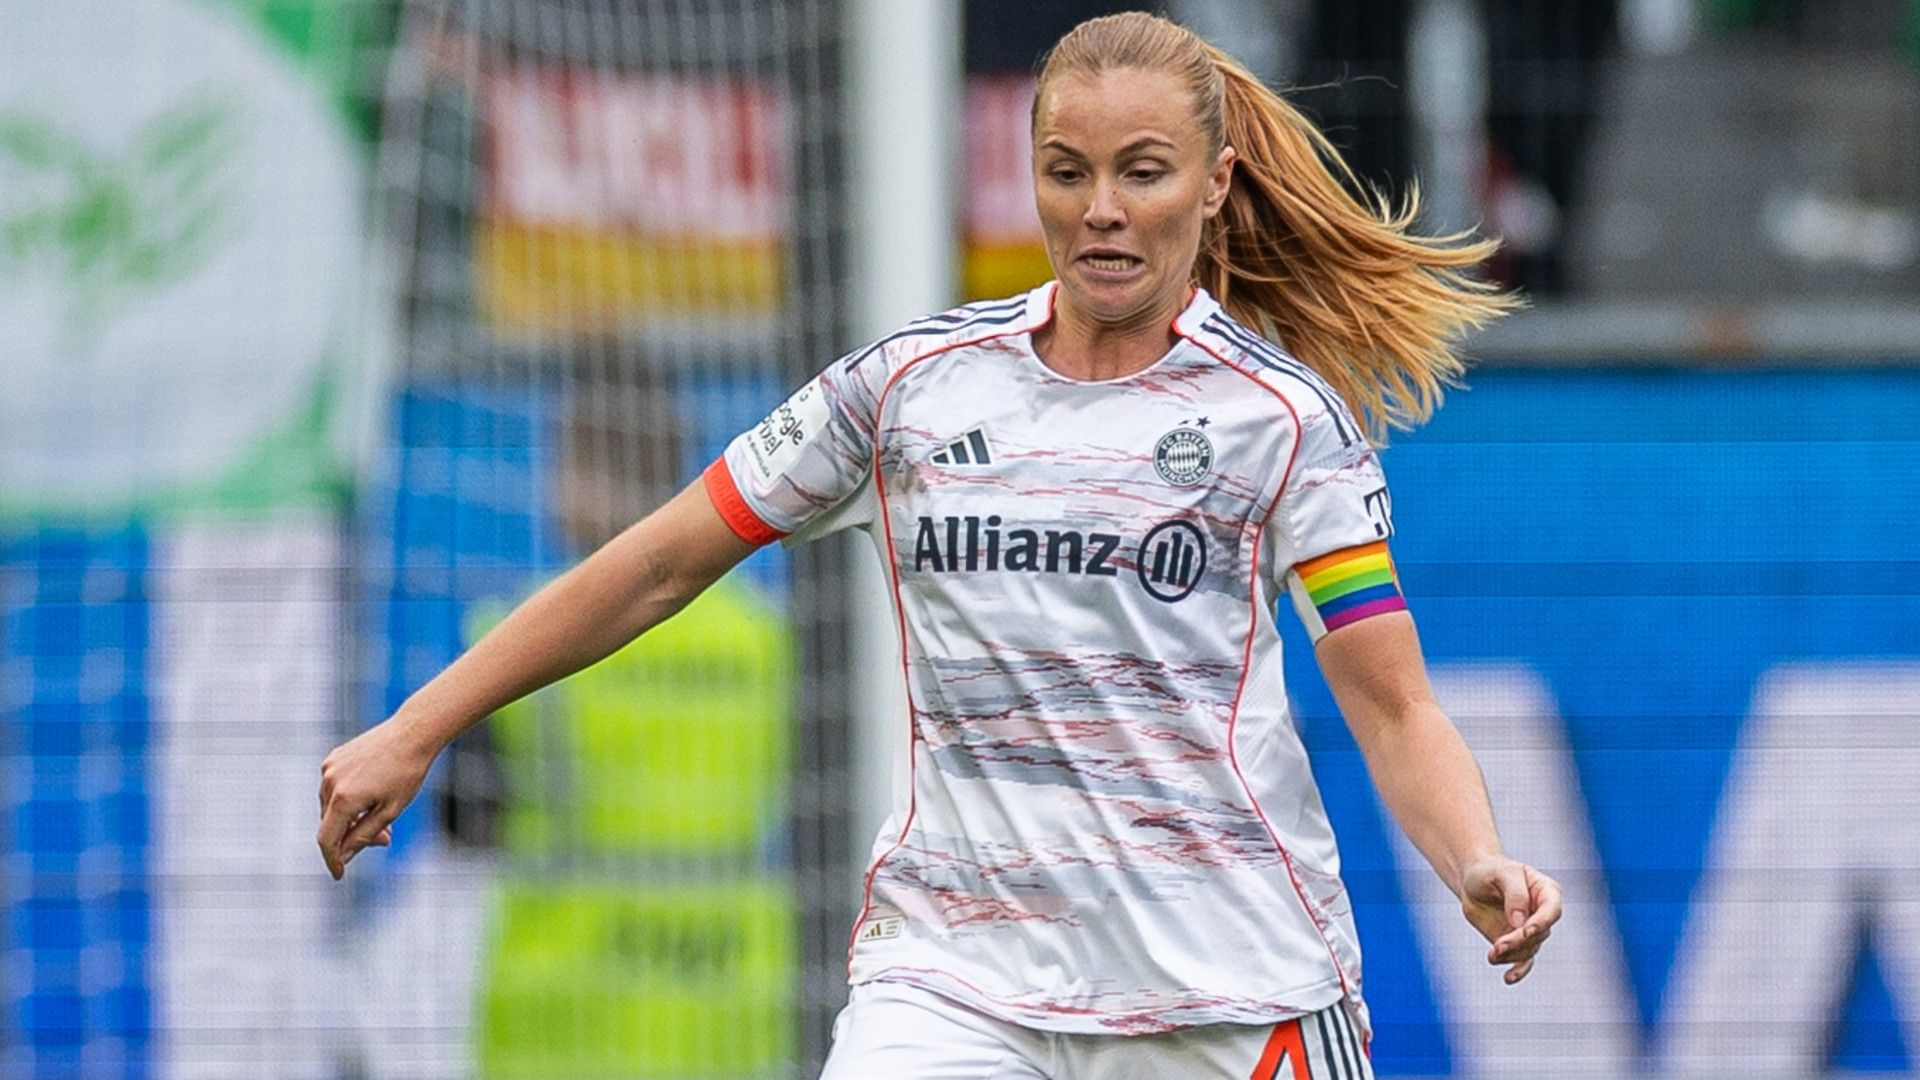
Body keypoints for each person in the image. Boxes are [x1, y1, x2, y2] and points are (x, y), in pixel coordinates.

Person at [318, 12, 1562, 1078]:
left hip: (1223, 990)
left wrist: (1477, 858)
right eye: (1068, 172)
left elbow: (1393, 707)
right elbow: (657, 562)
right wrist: (415, 724)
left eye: (1144, 172)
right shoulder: (910, 388)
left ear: (1217, 182)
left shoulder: (1282, 421)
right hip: (956, 982)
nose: (1104, 212)